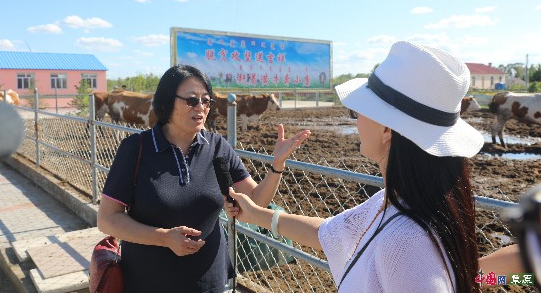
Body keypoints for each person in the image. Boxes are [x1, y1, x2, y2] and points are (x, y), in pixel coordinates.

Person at [228, 41, 484, 292]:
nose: (357, 120)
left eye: (358, 112)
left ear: (386, 129)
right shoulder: (394, 201)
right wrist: (255, 214)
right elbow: (327, 233)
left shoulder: (404, 242)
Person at [97, 64, 310, 292]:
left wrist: (277, 166)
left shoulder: (217, 147)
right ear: (168, 101)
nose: (200, 107)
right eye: (191, 100)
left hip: (210, 281)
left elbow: (256, 201)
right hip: (148, 281)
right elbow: (107, 219)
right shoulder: (137, 149)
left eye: (206, 101)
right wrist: (164, 238)